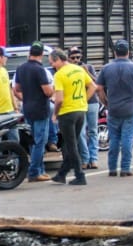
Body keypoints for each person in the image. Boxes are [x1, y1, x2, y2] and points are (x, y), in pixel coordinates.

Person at [95, 39, 133, 177]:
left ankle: (112, 169)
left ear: (114, 52)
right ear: (128, 52)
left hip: (113, 109)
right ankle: (125, 168)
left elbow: (99, 88)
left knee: (113, 139)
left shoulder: (106, 68)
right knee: (127, 138)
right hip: (130, 108)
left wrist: (106, 102)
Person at [50, 49, 95, 186]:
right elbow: (93, 86)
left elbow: (59, 100)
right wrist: (84, 101)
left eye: (52, 61)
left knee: (71, 145)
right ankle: (62, 174)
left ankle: (79, 175)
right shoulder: (78, 69)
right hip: (80, 110)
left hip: (67, 112)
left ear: (58, 60)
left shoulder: (59, 75)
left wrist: (55, 114)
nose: (52, 65)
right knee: (70, 143)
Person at [14, 42, 55, 182]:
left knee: (32, 140)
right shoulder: (40, 70)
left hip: (27, 108)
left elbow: (16, 89)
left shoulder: (21, 68)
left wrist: (26, 98)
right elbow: (47, 91)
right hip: (40, 109)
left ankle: (40, 169)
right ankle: (34, 172)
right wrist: (54, 89)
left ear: (30, 53)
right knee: (40, 141)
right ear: (42, 54)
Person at [68, 46, 101, 170]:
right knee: (81, 132)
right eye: (73, 58)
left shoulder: (89, 67)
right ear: (69, 58)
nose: (76, 60)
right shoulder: (69, 70)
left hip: (91, 102)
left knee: (92, 130)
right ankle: (85, 159)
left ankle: (94, 159)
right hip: (78, 104)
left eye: (78, 57)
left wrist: (87, 72)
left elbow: (97, 84)